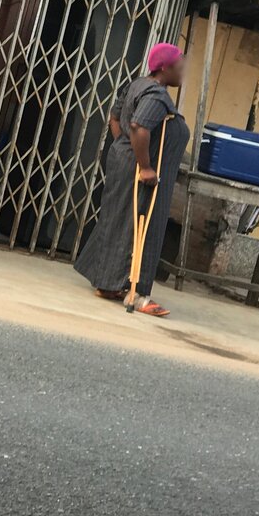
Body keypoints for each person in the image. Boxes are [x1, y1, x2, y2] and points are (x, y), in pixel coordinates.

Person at [74, 43, 190, 317]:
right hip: (141, 169)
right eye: (179, 67)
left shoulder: (137, 85)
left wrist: (124, 147)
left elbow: (115, 118)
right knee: (143, 225)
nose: (183, 72)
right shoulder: (156, 95)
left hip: (124, 163)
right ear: (164, 68)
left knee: (118, 220)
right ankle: (137, 294)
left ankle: (107, 283)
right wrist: (145, 165)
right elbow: (139, 126)